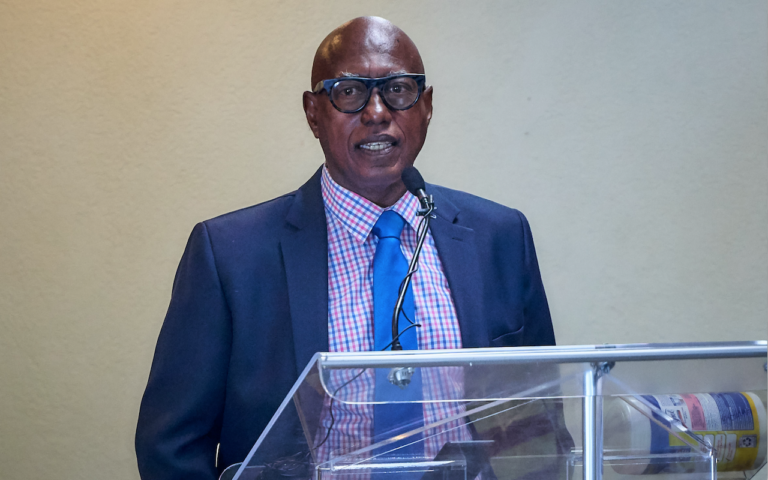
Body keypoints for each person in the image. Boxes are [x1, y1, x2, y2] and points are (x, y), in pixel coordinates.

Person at [136, 16, 558, 480]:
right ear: (313, 113)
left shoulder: (499, 238)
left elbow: (540, 426)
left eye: (398, 89)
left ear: (427, 106)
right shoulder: (230, 255)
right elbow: (172, 447)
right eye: (350, 91)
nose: (377, 112)